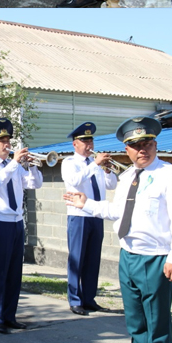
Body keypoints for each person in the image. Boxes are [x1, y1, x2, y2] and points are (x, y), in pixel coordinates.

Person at [64, 116, 172, 343]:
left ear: (155, 145)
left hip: (156, 259)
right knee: (135, 321)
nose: (141, 150)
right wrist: (86, 204)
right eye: (134, 145)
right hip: (129, 255)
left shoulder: (171, 176)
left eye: (146, 143)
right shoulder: (126, 177)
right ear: (127, 149)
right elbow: (116, 211)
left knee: (157, 322)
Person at [0, 118, 42, 333]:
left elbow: (34, 184)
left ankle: (9, 315)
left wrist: (31, 166)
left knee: (14, 271)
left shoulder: (12, 166)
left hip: (16, 222)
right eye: (2, 140)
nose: (7, 144)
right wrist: (15, 163)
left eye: (8, 139)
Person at [62, 122, 116, 315]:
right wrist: (95, 165)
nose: (89, 144)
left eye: (91, 140)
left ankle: (89, 298)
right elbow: (75, 181)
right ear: (75, 144)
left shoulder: (96, 164)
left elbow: (110, 185)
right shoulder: (69, 163)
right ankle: (75, 299)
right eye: (85, 141)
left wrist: (108, 170)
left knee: (93, 259)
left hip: (96, 213)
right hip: (79, 215)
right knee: (77, 258)